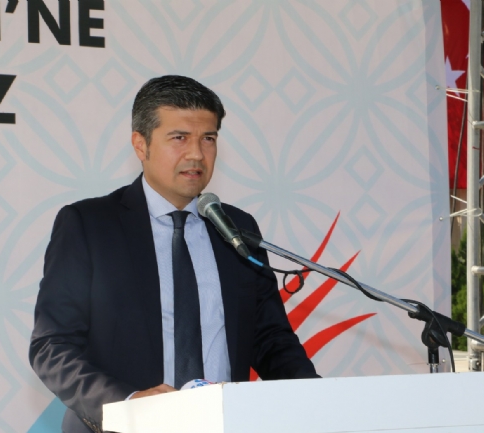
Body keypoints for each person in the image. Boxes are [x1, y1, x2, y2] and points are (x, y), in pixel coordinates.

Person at [30, 75, 319, 433]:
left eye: (208, 138)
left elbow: (270, 339)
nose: (196, 153)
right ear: (141, 145)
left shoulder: (236, 228)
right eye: (179, 137)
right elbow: (52, 346)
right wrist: (128, 403)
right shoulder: (89, 225)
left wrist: (318, 399)